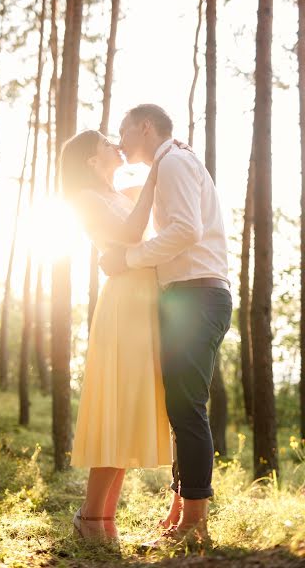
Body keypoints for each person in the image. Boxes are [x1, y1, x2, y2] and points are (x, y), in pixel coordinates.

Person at [100, 104, 232, 544]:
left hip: (197, 296)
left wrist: (127, 260)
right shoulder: (171, 162)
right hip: (189, 297)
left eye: (124, 130)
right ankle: (182, 512)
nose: (120, 140)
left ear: (145, 125)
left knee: (188, 409)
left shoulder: (175, 161)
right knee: (181, 407)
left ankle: (195, 523)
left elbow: (185, 230)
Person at [60, 129, 174, 541]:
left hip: (146, 301)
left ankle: (103, 518)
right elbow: (129, 233)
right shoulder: (87, 199)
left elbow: (159, 195)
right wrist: (158, 166)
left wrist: (163, 154)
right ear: (91, 160)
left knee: (128, 410)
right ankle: (90, 516)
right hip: (124, 303)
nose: (115, 145)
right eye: (107, 142)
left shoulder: (120, 190)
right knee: (117, 406)